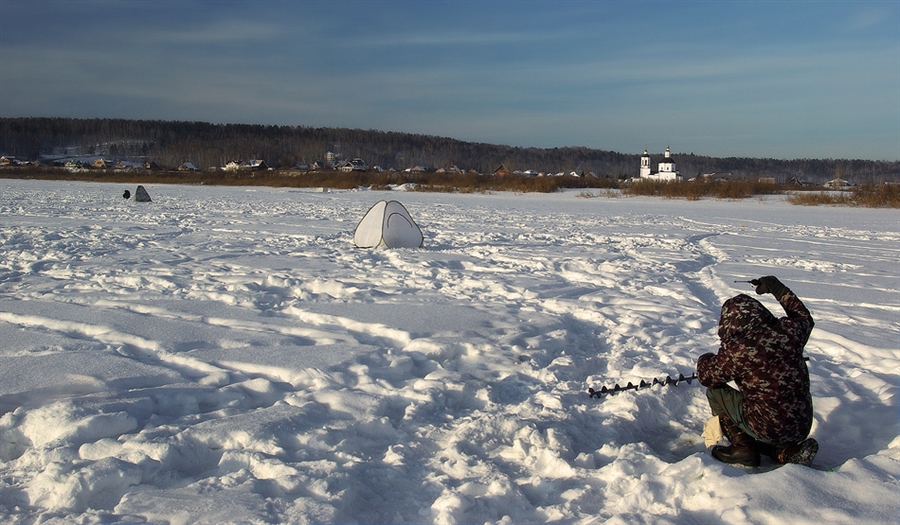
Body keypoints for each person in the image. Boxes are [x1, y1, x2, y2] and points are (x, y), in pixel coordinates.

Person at [697, 276, 818, 467]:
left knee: (716, 392)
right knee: (768, 411)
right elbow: (802, 316)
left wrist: (706, 358)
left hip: (767, 426)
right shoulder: (790, 332)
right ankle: (784, 451)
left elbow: (707, 377)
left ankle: (743, 448)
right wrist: (777, 288)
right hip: (801, 426)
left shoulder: (738, 349)